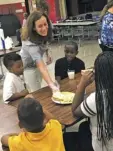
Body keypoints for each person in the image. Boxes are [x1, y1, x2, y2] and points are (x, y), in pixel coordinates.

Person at [72, 51, 113, 151]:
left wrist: (82, 84)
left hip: (104, 146)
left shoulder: (98, 98)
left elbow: (75, 111)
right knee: (83, 126)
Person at [1, 97, 65, 151]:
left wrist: (18, 134)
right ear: (44, 117)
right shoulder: (55, 126)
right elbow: (53, 119)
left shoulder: (21, 142)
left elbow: (3, 139)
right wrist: (38, 106)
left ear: (20, 125)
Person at [20, 11, 59, 92]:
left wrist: (48, 53)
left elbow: (45, 42)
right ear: (34, 28)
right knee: (35, 91)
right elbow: (42, 68)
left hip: (37, 61)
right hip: (28, 67)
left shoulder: (44, 32)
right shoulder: (30, 44)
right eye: (40, 26)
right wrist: (52, 85)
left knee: (44, 84)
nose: (44, 28)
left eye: (45, 24)